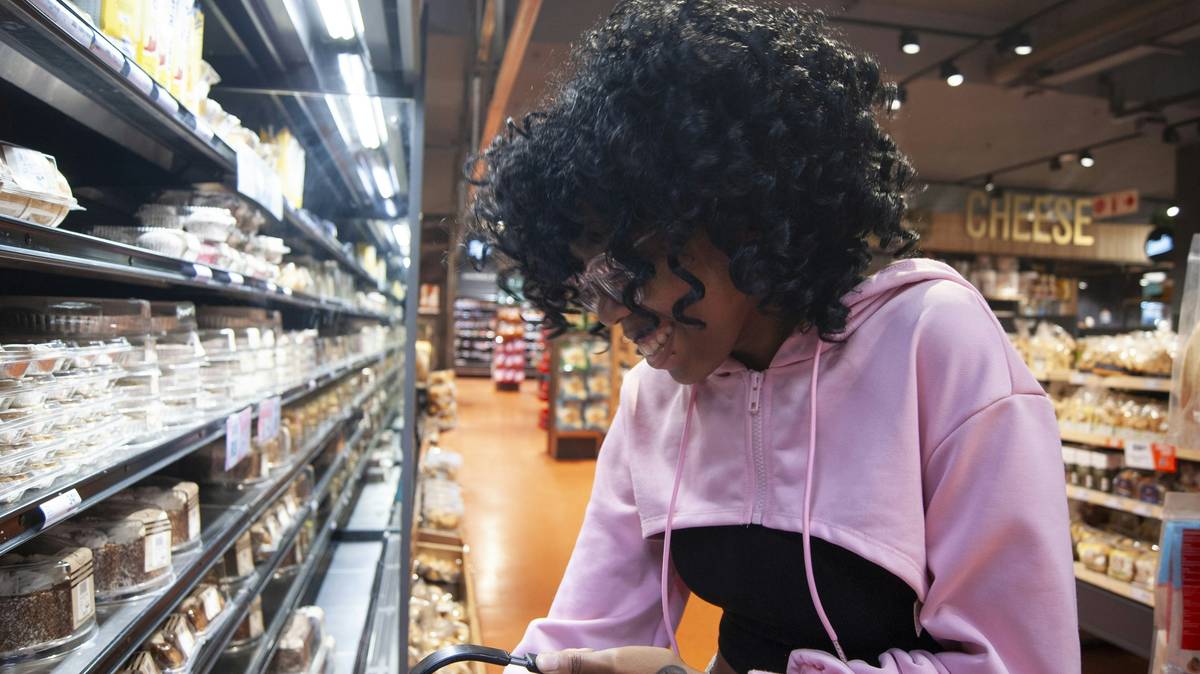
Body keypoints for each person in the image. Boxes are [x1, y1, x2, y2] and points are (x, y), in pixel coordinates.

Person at [469, 2, 1079, 673]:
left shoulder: (932, 343)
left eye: (626, 271)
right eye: (588, 287)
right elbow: (588, 624)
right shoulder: (653, 400)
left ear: (736, 213)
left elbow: (1022, 660)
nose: (613, 315)